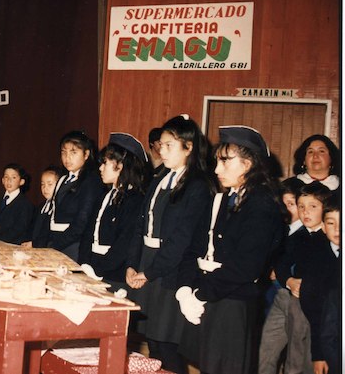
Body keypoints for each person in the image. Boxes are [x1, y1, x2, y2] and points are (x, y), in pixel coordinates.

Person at [176, 125, 287, 374]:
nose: (216, 170)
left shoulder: (261, 205)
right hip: (207, 297)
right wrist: (184, 288)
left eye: (225, 162)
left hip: (231, 304)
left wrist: (200, 293)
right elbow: (193, 248)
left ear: (248, 164)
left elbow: (246, 267)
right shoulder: (221, 200)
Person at [125, 115, 216, 374]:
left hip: (169, 271)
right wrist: (132, 264)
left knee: (167, 346)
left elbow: (182, 238)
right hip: (146, 264)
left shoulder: (197, 186)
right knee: (152, 341)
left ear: (189, 148)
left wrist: (149, 273)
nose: (161, 150)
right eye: (160, 145)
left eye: (168, 145)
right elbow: (140, 226)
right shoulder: (160, 178)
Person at [273, 181, 332, 374]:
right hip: (298, 299)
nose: (305, 212)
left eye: (313, 207)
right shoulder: (297, 237)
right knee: (296, 353)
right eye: (301, 207)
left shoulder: (330, 238)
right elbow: (280, 264)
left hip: (323, 303)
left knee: (316, 355)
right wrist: (289, 280)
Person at [81, 132, 149, 290]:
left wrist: (98, 271)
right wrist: (85, 264)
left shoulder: (134, 200)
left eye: (105, 162)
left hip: (113, 276)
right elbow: (88, 233)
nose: (100, 167)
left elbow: (124, 244)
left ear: (121, 165)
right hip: (91, 269)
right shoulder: (104, 196)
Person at [258, 178, 305, 374]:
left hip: (294, 298)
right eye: (283, 204)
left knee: (296, 357)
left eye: (291, 204)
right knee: (266, 350)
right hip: (275, 296)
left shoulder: (305, 234)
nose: (286, 209)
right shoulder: (281, 229)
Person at [49, 130, 106, 262]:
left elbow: (81, 222)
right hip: (55, 242)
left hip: (74, 245)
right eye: (64, 152)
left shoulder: (91, 181)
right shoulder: (63, 179)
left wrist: (55, 245)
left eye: (73, 152)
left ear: (86, 154)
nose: (67, 158)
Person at [300, 195, 340, 374]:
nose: (339, 229)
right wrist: (318, 354)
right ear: (323, 227)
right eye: (331, 223)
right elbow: (313, 309)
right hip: (330, 344)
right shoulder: (317, 259)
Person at [0, 163, 35, 244]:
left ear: (21, 181)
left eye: (13, 177)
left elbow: (18, 229)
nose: (9, 180)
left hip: (11, 245)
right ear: (2, 180)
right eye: (6, 177)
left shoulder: (25, 205)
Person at [27, 165, 64, 248]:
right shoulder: (41, 207)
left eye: (50, 184)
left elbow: (49, 236)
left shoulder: (60, 208)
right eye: (42, 184)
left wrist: (35, 244)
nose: (45, 188)